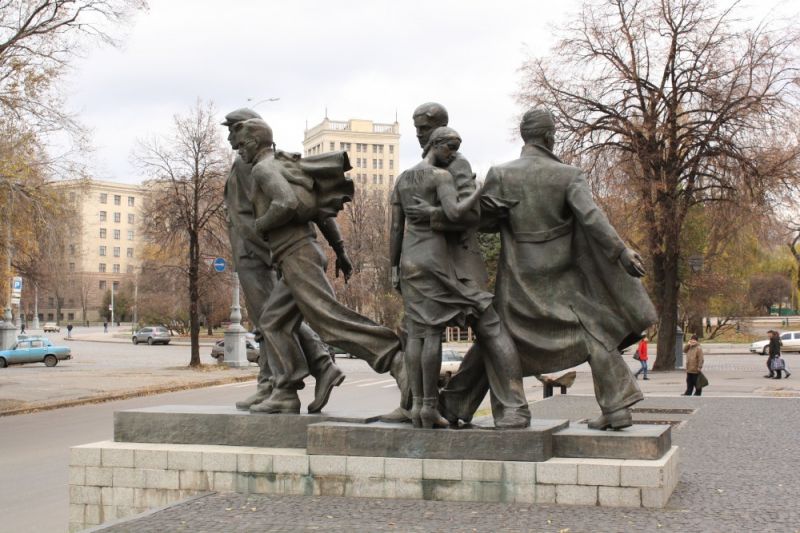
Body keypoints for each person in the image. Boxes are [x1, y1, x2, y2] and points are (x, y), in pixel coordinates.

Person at [429, 109, 656, 431]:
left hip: (519, 273)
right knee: (590, 330)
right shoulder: (568, 175)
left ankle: (456, 404)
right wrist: (620, 251)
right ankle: (455, 404)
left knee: (497, 336)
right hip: (561, 273)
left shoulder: (502, 173)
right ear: (550, 136)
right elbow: (590, 217)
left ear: (525, 136)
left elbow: (486, 222)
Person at [233, 118, 407, 414]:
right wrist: (339, 250)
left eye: (240, 145)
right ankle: (286, 392)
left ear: (253, 143)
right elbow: (314, 210)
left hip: (298, 255)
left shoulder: (263, 168)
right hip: (295, 256)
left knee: (330, 322)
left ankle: (395, 358)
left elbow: (286, 203)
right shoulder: (281, 164)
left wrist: (261, 225)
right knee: (273, 322)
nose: (238, 150)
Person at [395, 102, 530, 428]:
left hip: (458, 264)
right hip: (430, 262)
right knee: (417, 331)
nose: (419, 136)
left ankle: (514, 406)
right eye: (416, 131)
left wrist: (432, 216)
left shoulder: (456, 163)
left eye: (423, 130)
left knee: (488, 325)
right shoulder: (424, 169)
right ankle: (428, 405)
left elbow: (468, 215)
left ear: (439, 129)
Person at [221, 108, 345, 414]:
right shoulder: (251, 163)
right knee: (269, 321)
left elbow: (294, 205)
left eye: (234, 130)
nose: (231, 138)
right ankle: (272, 383)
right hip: (251, 250)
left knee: (272, 321)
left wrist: (339, 247)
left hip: (258, 251)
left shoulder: (250, 165)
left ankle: (293, 377)